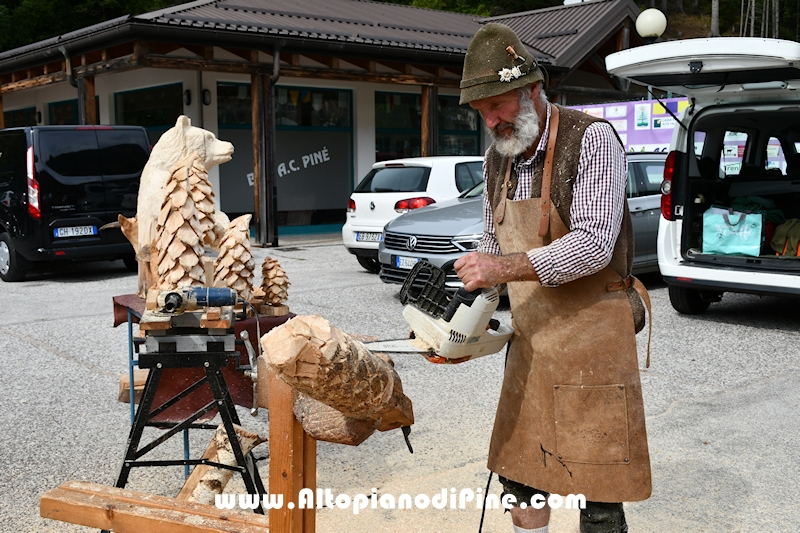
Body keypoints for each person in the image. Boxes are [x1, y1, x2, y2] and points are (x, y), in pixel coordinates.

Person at [454, 23, 652, 533]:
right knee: (522, 481)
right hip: (533, 342)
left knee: (599, 494)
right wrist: (461, 332)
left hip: (593, 344)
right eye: (482, 111)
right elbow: (491, 245)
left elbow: (592, 244)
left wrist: (503, 267)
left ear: (533, 90)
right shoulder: (497, 160)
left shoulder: (592, 141)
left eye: (498, 105)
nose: (491, 120)